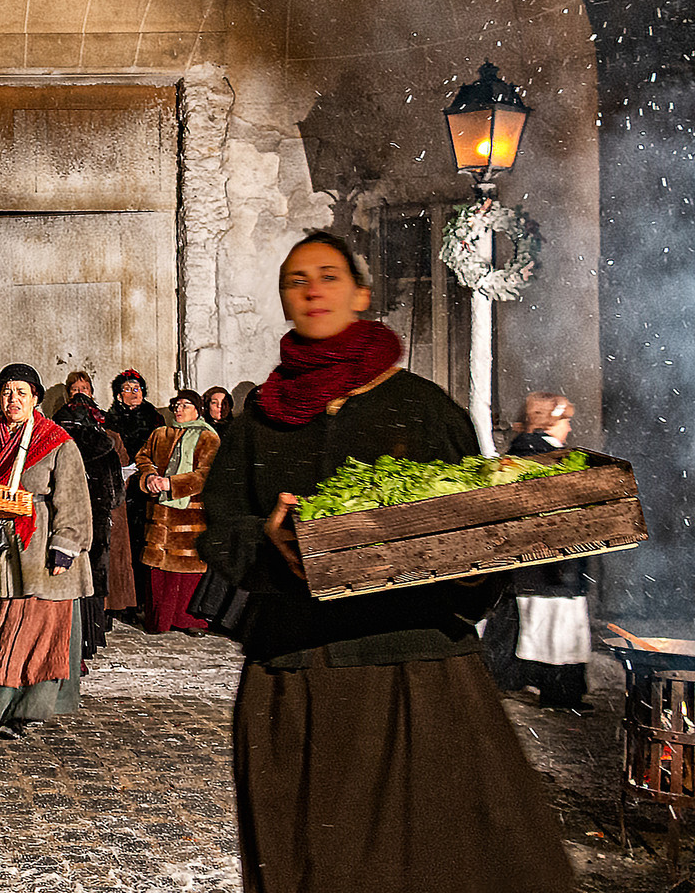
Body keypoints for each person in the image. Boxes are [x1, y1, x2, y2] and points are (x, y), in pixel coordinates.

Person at [197, 231, 574, 893]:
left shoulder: (421, 406)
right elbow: (221, 529)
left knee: (441, 861)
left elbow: (476, 534)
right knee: (313, 867)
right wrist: (271, 545)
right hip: (297, 673)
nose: (312, 289)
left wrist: (464, 560)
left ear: (360, 295)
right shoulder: (259, 417)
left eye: (327, 275)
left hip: (418, 677)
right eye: (295, 280)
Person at [0, 363, 94, 739]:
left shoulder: (56, 442)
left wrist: (65, 545)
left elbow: (74, 499)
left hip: (38, 553)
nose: (13, 400)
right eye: (6, 392)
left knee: (31, 633)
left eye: (21, 393)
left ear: (36, 399)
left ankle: (21, 710)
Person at [507, 391, 592, 711]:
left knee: (555, 630)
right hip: (550, 571)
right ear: (551, 422)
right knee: (556, 632)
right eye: (565, 421)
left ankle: (563, 690)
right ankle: (558, 692)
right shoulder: (543, 459)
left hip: (549, 570)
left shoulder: (533, 454)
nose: (569, 428)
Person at [135, 389, 219, 635]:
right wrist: (149, 476)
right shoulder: (160, 433)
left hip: (189, 514)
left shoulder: (207, 437)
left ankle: (184, 618)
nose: (179, 409)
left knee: (184, 568)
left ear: (197, 410)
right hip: (160, 512)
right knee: (157, 567)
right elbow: (143, 458)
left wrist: (172, 484)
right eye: (176, 405)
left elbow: (207, 473)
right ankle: (158, 620)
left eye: (185, 405)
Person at [52, 391, 125, 662]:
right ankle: (89, 641)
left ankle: (67, 644)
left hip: (61, 524)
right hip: (96, 523)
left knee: (64, 581)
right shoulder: (104, 447)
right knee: (91, 580)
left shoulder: (53, 443)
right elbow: (117, 494)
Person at [109, 369, 165, 625]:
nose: (134, 393)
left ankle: (142, 600)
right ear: (119, 395)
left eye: (137, 388)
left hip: (144, 488)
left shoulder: (154, 418)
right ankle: (123, 600)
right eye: (128, 389)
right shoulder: (110, 419)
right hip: (120, 488)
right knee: (123, 545)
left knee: (144, 542)